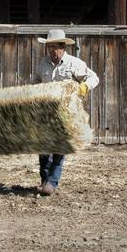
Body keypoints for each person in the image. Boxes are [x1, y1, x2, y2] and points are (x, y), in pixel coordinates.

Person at [32, 29, 99, 196]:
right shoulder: (43, 64)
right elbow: (35, 81)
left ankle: (52, 183)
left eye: (56, 47)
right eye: (50, 47)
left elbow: (94, 78)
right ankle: (45, 180)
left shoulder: (74, 64)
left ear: (63, 47)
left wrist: (84, 86)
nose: (53, 51)